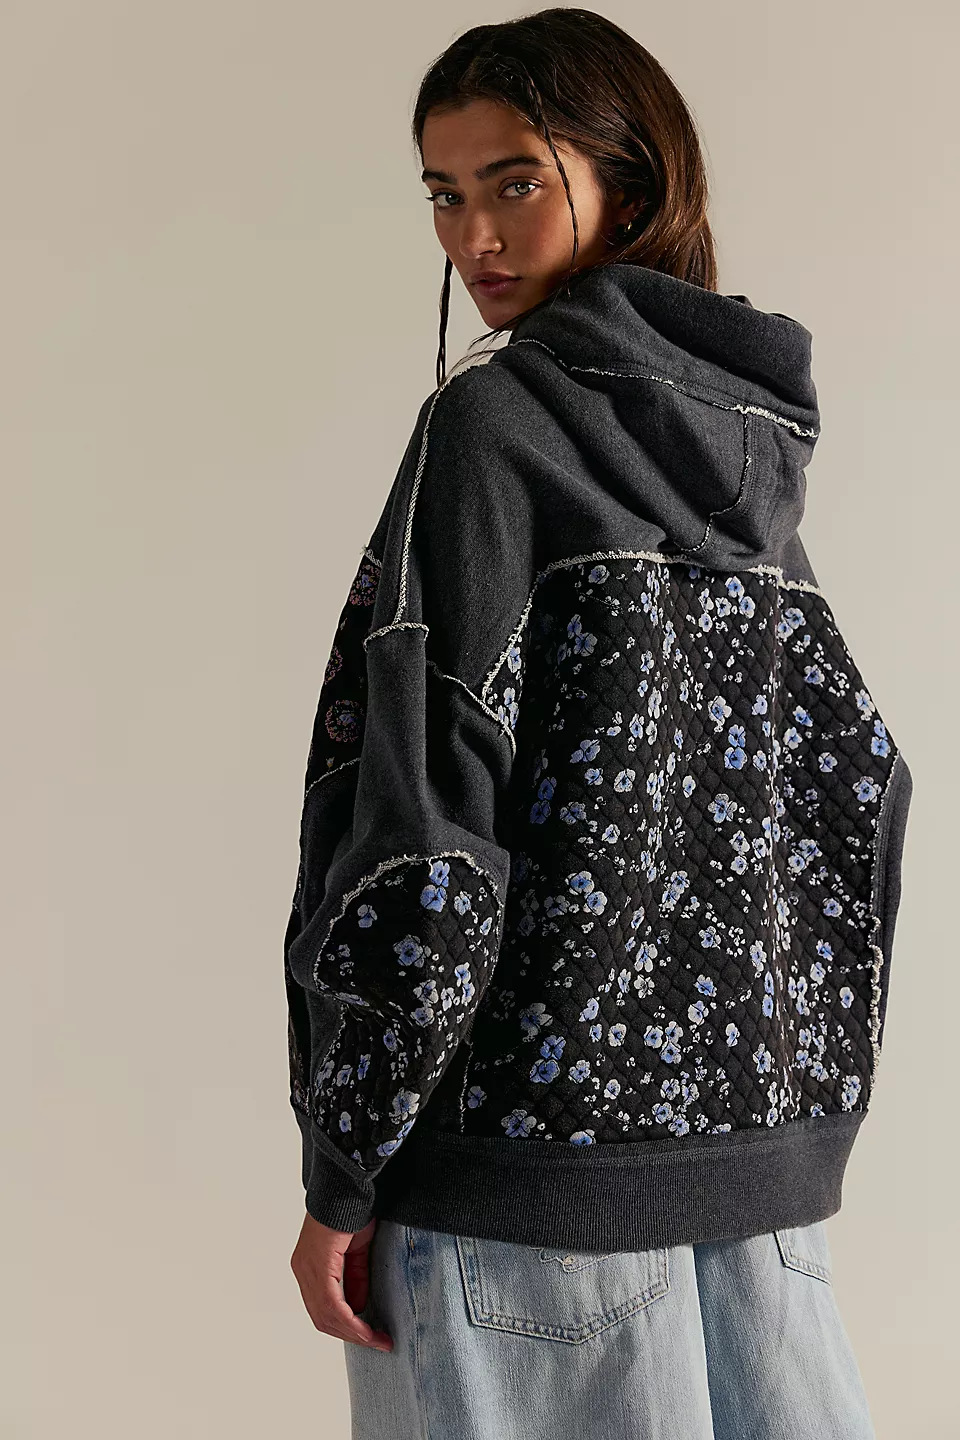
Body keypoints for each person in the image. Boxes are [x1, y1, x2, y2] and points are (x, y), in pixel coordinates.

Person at [283, 11, 914, 1438]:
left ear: (628, 186)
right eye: (444, 194)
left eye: (514, 181)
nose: (474, 236)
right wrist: (789, 1124)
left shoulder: (494, 429)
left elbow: (427, 842)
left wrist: (347, 1167)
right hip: (758, 1208)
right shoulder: (752, 460)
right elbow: (859, 795)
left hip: (515, 1197)